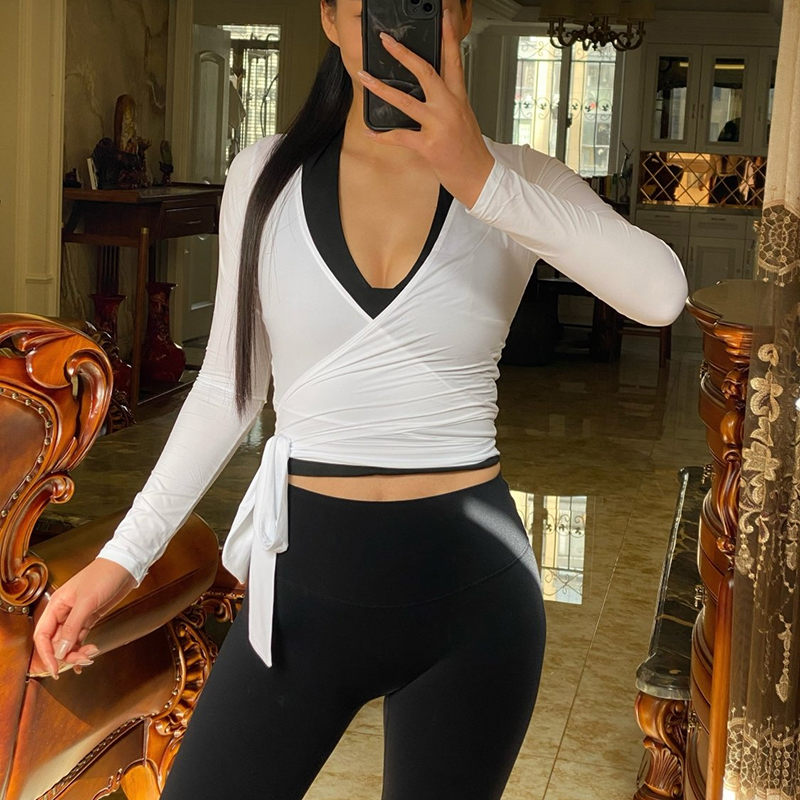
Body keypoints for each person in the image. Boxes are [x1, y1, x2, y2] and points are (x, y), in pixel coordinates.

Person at [32, 0, 689, 797]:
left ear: (460, 18)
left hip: (473, 604)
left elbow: (661, 295)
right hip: (302, 595)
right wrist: (121, 560)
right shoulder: (265, 176)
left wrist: (478, 177)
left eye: (421, 4)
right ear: (330, 18)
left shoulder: (515, 179)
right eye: (367, 6)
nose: (391, 31)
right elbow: (229, 388)